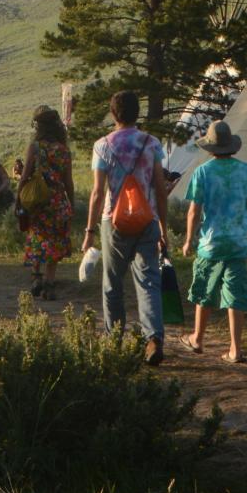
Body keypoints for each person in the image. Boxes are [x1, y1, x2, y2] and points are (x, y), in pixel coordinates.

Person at [79, 90, 170, 365]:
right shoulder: (152, 143)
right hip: (147, 219)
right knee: (149, 281)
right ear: (136, 112)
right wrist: (163, 228)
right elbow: (159, 187)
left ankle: (114, 338)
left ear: (113, 113)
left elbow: (97, 192)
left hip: (114, 221)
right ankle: (153, 338)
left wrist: (89, 231)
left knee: (112, 282)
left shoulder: (103, 146)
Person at [178, 121, 247, 364]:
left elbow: (194, 211)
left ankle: (197, 338)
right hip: (238, 244)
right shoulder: (245, 170)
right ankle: (236, 349)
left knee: (204, 290)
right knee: (236, 294)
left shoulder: (203, 172)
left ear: (210, 147)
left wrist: (188, 239)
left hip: (211, 243)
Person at [20, 105, 74, 299]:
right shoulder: (63, 150)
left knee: (37, 238)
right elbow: (68, 182)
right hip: (58, 201)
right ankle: (50, 284)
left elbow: (25, 175)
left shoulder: (35, 148)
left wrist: (19, 198)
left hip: (38, 201)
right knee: (55, 241)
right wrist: (72, 204)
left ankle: (36, 278)